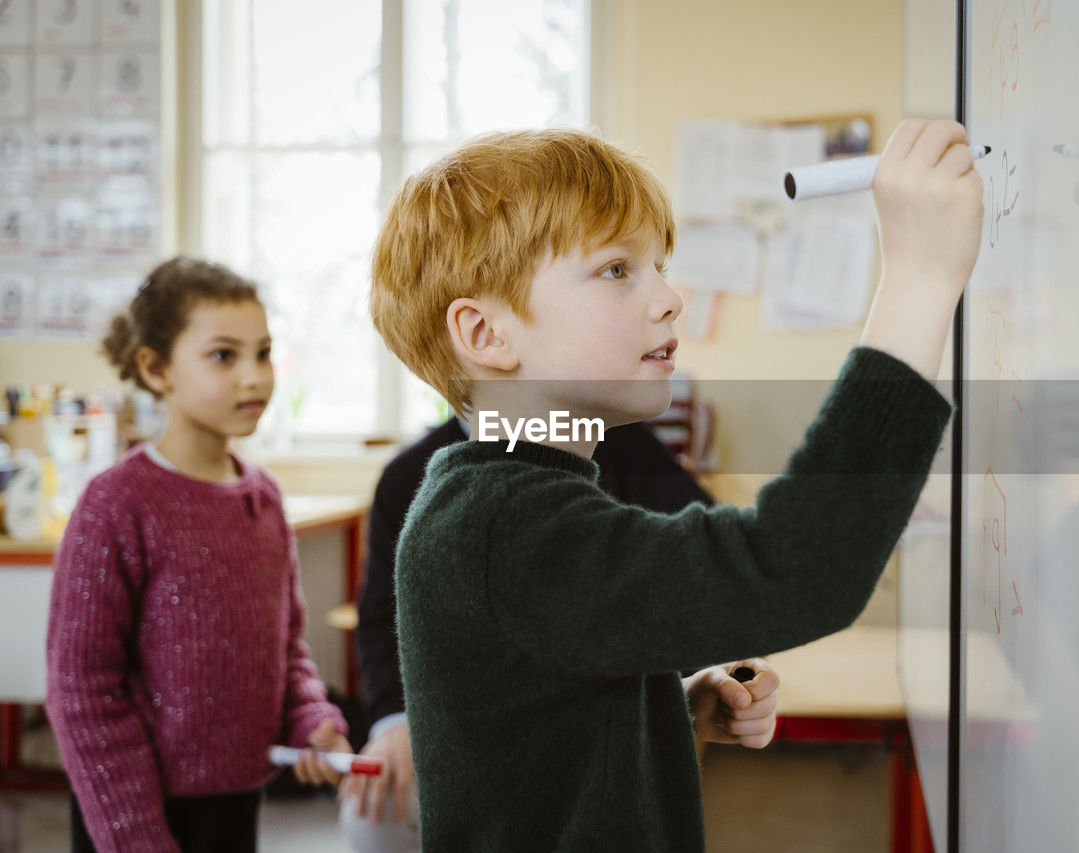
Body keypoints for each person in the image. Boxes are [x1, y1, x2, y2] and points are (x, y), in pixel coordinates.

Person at [367, 121, 983, 849]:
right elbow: (794, 568)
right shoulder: (504, 522)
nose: (668, 297)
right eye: (617, 270)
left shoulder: (514, 493)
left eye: (658, 265)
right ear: (487, 335)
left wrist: (672, 708)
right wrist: (919, 280)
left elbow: (531, 731)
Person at [338, 416, 781, 851]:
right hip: (474, 742)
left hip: (592, 750)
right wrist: (394, 720)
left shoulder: (625, 446)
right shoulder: (411, 477)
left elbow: (707, 570)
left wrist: (685, 688)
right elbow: (379, 614)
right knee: (371, 818)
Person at [46, 257, 353, 853]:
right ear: (156, 369)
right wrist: (137, 835)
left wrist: (311, 720)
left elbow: (284, 648)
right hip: (135, 815)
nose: (254, 377)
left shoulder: (262, 497)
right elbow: (83, 689)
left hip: (236, 803)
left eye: (262, 353)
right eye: (223, 356)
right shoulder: (116, 503)